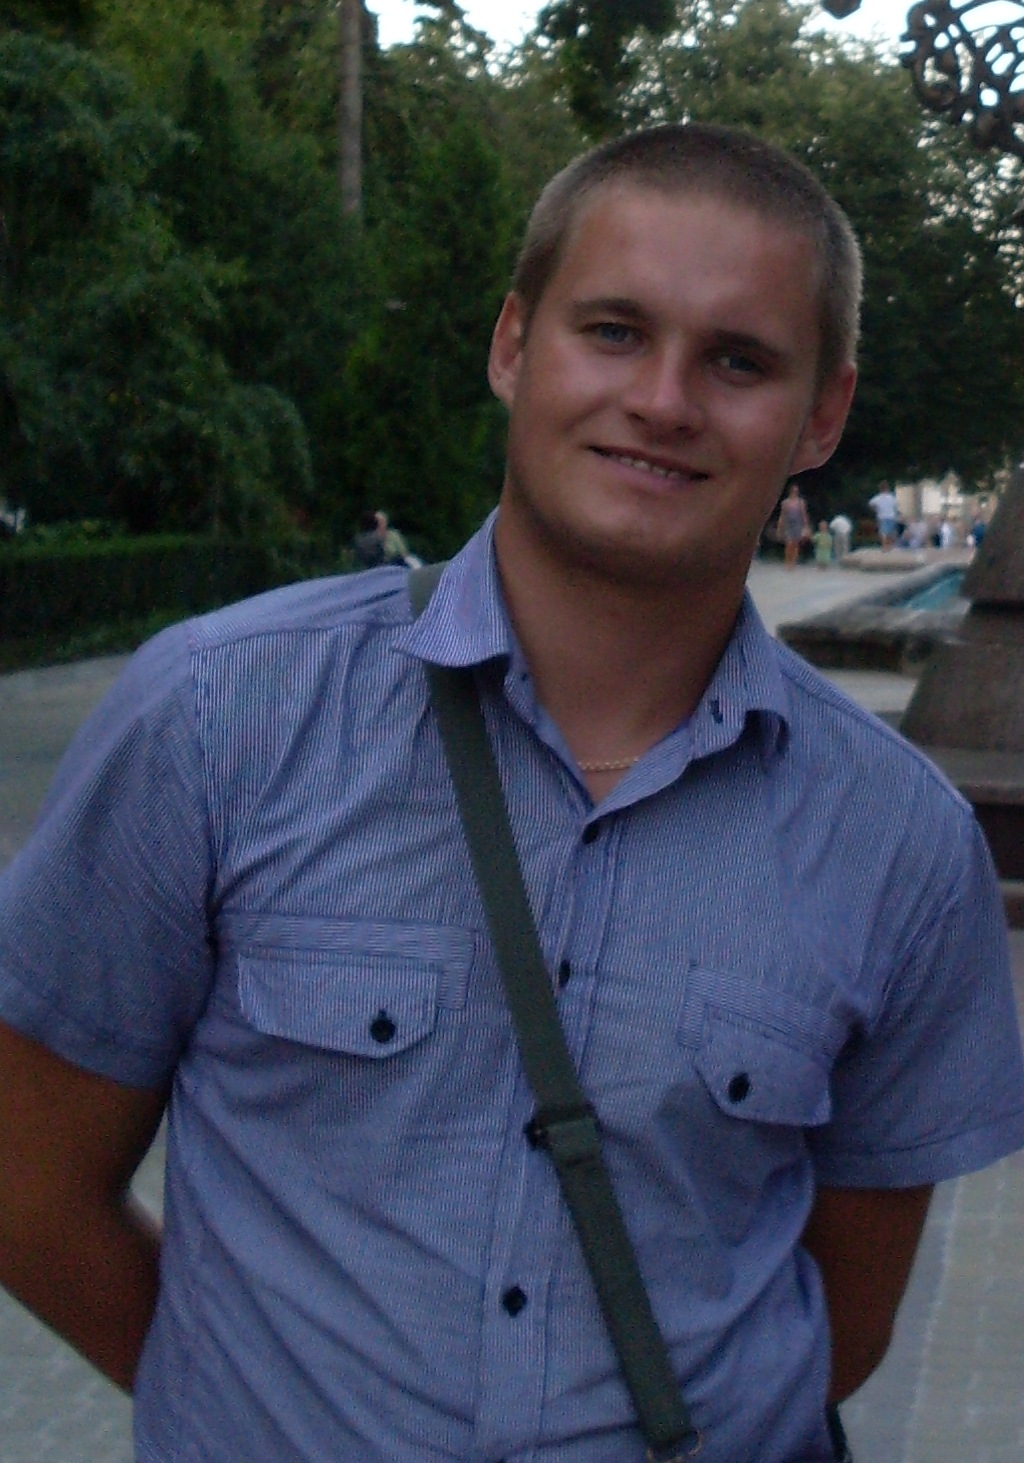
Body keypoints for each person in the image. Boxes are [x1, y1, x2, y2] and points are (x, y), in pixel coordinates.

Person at [1, 123, 1023, 1463]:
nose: (663, 399)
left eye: (737, 360)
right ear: (512, 343)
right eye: (614, 330)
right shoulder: (217, 719)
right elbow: (27, 1186)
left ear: (821, 416)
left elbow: (845, 1317)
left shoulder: (902, 844)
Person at [776, 479, 811, 567]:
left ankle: (793, 562)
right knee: (789, 543)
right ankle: (787, 560)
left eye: (796, 491)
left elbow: (804, 514)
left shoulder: (801, 502)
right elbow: (782, 515)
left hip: (798, 524)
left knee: (796, 544)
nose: (795, 492)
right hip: (788, 524)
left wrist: (806, 526)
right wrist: (779, 527)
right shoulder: (785, 503)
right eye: (793, 491)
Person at [868, 481, 899, 548]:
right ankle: (890, 545)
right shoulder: (891, 497)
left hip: (881, 516)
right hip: (891, 516)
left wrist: (876, 510)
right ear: (887, 488)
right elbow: (895, 506)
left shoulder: (877, 497)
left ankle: (884, 545)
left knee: (883, 532)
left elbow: (871, 504)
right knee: (891, 531)